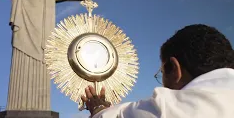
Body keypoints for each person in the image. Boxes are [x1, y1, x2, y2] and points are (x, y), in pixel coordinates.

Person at [81, 24, 234, 117]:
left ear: (174, 68)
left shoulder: (170, 109)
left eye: (161, 74)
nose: (163, 86)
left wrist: (98, 108)